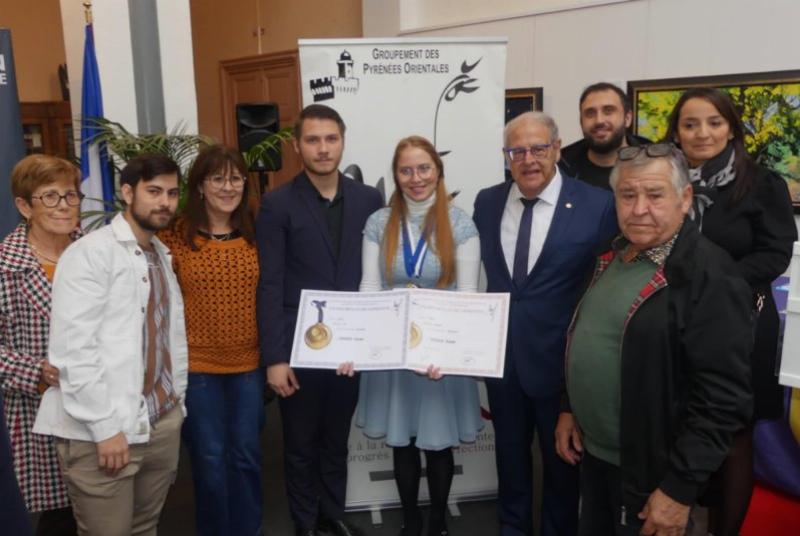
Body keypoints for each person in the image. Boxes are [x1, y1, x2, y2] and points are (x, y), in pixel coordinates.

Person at [555, 143, 754, 535]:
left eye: (654, 194)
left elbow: (722, 399)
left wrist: (678, 490)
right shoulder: (609, 257)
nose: (639, 208)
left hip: (653, 475)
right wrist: (569, 407)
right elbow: (594, 341)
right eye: (628, 195)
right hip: (597, 459)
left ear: (684, 199)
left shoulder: (710, 276)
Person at [472, 111, 618, 536]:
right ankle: (512, 528)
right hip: (503, 362)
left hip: (562, 366)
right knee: (509, 459)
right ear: (506, 157)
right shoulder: (487, 201)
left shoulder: (596, 204)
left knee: (562, 466)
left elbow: (602, 288)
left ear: (557, 149)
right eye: (517, 151)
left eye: (538, 148)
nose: (528, 159)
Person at [664, 88, 797, 535]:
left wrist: (715, 287)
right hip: (673, 321)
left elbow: (776, 253)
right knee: (683, 419)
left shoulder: (762, 183)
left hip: (741, 323)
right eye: (690, 124)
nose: (702, 133)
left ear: (732, 128)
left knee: (735, 434)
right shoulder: (666, 184)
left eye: (714, 122)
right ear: (676, 132)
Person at [33, 154, 187, 536]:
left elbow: (166, 338)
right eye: (153, 191)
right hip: (103, 430)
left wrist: (176, 408)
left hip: (159, 421)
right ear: (127, 192)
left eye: (171, 192)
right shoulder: (91, 253)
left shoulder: (160, 256)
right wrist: (104, 428)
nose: (164, 202)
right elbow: (73, 350)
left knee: (145, 528)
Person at [337, 136, 483, 536]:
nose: (415, 178)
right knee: (402, 443)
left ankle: (437, 521)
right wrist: (361, 349)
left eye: (424, 169)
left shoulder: (460, 223)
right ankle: (411, 520)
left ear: (438, 172)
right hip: (394, 354)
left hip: (440, 355)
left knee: (437, 445)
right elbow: (369, 288)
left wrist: (448, 354)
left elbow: (468, 295)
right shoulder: (379, 223)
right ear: (396, 175)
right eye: (406, 170)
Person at [256, 104, 383, 536]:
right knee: (300, 444)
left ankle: (334, 515)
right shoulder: (276, 204)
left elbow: (375, 274)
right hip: (298, 347)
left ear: (343, 141)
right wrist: (275, 358)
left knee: (336, 439)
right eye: (313, 140)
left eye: (331, 139)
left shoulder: (369, 199)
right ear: (297, 146)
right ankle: (305, 523)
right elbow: (270, 284)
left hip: (351, 345)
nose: (323, 148)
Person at [158, 145, 263, 536]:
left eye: (235, 178)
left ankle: (250, 529)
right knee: (209, 460)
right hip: (197, 369)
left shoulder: (259, 230)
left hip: (248, 367)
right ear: (200, 185)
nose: (227, 186)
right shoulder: (174, 236)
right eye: (217, 178)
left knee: (247, 458)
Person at [0, 155, 81, 535]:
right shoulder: (5, 266)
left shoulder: (97, 253)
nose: (64, 206)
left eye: (70, 195)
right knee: (58, 520)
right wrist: (36, 371)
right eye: (49, 197)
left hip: (101, 412)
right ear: (23, 206)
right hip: (36, 417)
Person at [559, 82, 649, 190]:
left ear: (627, 118)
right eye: (590, 113)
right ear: (581, 121)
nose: (599, 121)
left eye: (608, 111)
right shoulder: (561, 167)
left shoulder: (654, 160)